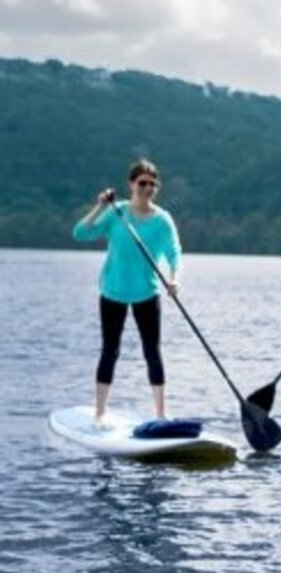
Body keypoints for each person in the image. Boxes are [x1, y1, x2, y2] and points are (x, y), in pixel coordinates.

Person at [71, 160, 180, 426]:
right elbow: (80, 233)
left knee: (152, 352)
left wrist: (175, 279)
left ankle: (161, 414)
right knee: (110, 351)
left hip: (147, 292)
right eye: (142, 183)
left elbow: (174, 252)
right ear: (131, 185)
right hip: (113, 291)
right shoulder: (116, 213)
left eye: (152, 184)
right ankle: (100, 413)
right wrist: (100, 206)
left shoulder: (162, 220)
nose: (147, 188)